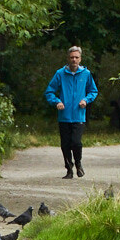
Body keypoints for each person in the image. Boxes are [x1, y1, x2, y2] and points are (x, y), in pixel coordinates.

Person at [45, 46, 98, 178]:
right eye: (71, 57)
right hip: (64, 115)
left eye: (76, 57)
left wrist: (86, 100)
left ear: (80, 59)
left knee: (76, 142)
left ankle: (78, 164)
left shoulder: (86, 74)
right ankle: (69, 169)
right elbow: (49, 91)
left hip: (79, 115)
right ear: (68, 58)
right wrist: (57, 102)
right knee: (65, 144)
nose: (74, 59)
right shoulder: (60, 74)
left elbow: (93, 91)